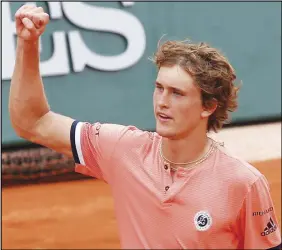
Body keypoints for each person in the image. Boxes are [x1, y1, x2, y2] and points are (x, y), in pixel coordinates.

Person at [9, 4, 281, 250]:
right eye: (159, 88)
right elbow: (33, 122)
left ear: (208, 107)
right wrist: (28, 43)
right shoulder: (122, 149)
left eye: (177, 93)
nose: (162, 102)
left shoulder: (243, 184)